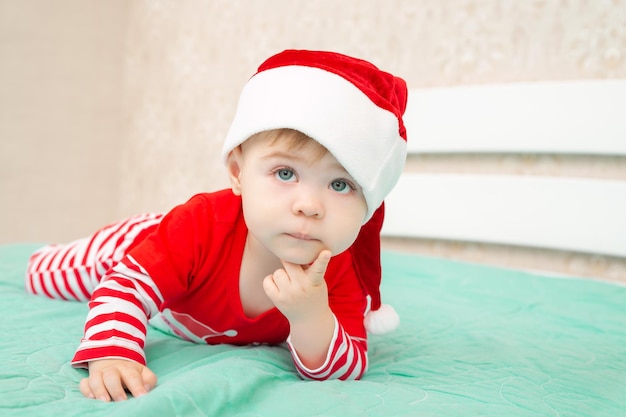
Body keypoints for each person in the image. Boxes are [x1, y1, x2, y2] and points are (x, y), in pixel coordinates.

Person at [25, 49, 408, 402]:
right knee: (45, 275)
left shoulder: (339, 269)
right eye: (285, 172)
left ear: (369, 209)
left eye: (340, 184)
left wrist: (311, 317)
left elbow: (346, 367)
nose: (308, 206)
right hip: (137, 245)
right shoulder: (201, 225)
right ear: (238, 173)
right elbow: (126, 286)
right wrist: (113, 353)